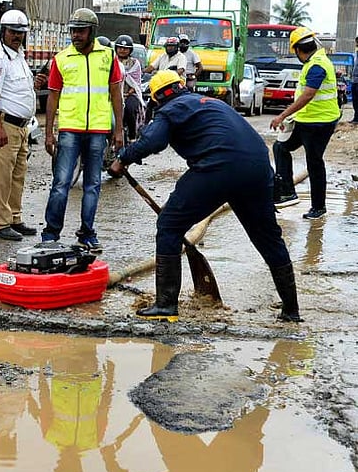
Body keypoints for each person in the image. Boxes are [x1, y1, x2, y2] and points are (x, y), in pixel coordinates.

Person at [108, 70, 301, 323]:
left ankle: (166, 305)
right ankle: (291, 310)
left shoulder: (170, 110)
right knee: (267, 238)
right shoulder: (212, 103)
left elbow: (153, 141)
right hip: (259, 168)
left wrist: (122, 159)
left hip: (217, 168)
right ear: (180, 87)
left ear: (156, 98)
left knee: (169, 225)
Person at [41, 7, 124, 252]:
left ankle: (87, 233)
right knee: (61, 182)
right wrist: (48, 132)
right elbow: (52, 97)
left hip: (98, 130)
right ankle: (51, 233)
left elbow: (116, 94)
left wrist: (118, 130)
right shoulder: (61, 59)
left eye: (80, 31)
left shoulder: (108, 57)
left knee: (93, 184)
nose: (75, 35)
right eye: (73, 31)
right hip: (69, 129)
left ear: (92, 31)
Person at [270, 26, 341, 219]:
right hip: (307, 120)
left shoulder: (317, 65)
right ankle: (286, 192)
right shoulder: (315, 61)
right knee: (281, 147)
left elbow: (309, 94)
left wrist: (282, 115)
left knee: (314, 162)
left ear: (298, 50)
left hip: (319, 123)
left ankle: (318, 207)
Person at [0, 9, 40, 241]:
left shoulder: (20, 57)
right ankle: (0, 223)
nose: (16, 36)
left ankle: (14, 218)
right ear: (3, 32)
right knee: (2, 176)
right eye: (12, 32)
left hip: (22, 127)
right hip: (6, 126)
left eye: (20, 33)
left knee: (18, 175)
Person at [115, 34, 145, 142]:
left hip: (130, 94)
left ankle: (132, 136)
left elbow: (136, 82)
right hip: (113, 95)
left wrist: (128, 93)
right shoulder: (112, 61)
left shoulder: (134, 63)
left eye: (125, 48)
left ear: (130, 50)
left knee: (129, 109)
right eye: (120, 48)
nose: (122, 50)